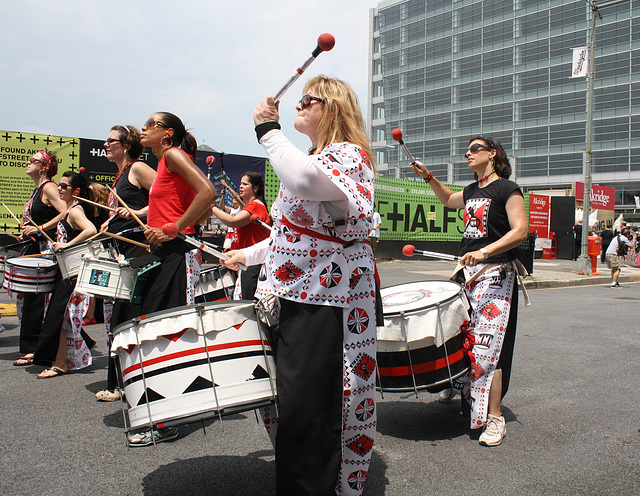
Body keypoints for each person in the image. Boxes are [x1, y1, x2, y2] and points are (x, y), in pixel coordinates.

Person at [224, 75, 377, 495]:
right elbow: (288, 234)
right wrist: (247, 256)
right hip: (294, 293)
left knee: (309, 407)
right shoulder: (313, 157)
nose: (297, 106)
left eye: (305, 100)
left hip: (325, 298)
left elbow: (305, 181)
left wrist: (267, 132)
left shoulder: (348, 155)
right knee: (293, 402)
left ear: (331, 108)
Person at [411, 136, 528, 447]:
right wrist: (429, 177)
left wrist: (486, 251)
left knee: (490, 346)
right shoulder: (473, 190)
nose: (467, 153)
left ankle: (494, 418)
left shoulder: (507, 188)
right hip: (469, 274)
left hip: (496, 274)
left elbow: (520, 230)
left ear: (492, 153)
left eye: (475, 148)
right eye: (467, 149)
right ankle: (459, 384)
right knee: (461, 335)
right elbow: (449, 200)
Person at [125, 112, 215, 446]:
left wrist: (176, 228)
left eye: (150, 124)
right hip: (166, 253)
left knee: (166, 336)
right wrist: (164, 226)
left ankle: (166, 421)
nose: (143, 128)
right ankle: (164, 409)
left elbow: (208, 192)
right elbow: (196, 204)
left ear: (167, 133)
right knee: (155, 331)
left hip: (177, 254)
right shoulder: (164, 163)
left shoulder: (174, 155)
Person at [94, 125, 156, 402]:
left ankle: (128, 383)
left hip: (140, 250)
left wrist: (136, 212)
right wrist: (112, 221)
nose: (106, 144)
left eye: (111, 141)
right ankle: (123, 382)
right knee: (117, 318)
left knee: (128, 317)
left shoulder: (137, 169)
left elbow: (165, 197)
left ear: (126, 145)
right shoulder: (119, 175)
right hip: (124, 250)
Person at [33, 171, 97, 378]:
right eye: (59, 185)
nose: (59, 188)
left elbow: (91, 229)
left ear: (76, 191)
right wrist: (40, 229)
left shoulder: (76, 211)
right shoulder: (69, 210)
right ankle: (60, 359)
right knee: (60, 317)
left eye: (63, 186)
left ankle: (60, 363)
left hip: (72, 272)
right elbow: (60, 219)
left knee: (60, 317)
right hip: (65, 271)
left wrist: (66, 245)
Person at [12, 150, 67, 366]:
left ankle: (34, 348)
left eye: (33, 160)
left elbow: (67, 211)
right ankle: (79, 339)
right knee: (30, 298)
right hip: (35, 248)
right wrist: (28, 231)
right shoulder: (38, 189)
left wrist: (40, 228)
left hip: (46, 250)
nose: (28, 162)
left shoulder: (50, 188)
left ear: (44, 167)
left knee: (36, 299)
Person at [211, 171, 271, 299]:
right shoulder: (248, 207)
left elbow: (232, 222)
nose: (241, 187)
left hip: (254, 263)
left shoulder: (256, 206)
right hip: (246, 262)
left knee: (249, 303)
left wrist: (211, 207)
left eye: (245, 184)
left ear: (255, 188)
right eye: (240, 184)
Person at [81, 182, 110, 327]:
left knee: (92, 280)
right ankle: (95, 314)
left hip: (98, 247)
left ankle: (90, 314)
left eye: (91, 192)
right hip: (102, 247)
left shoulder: (96, 210)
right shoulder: (105, 209)